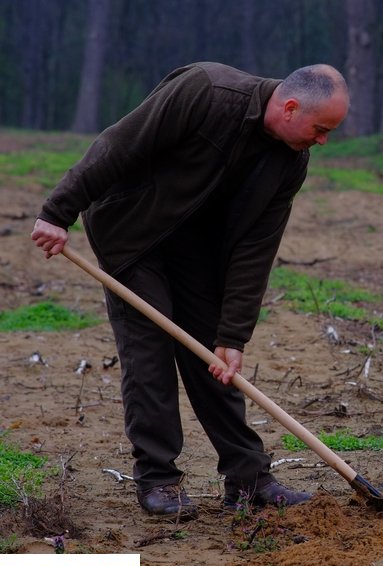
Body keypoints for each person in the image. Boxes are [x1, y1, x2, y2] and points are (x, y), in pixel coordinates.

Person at [31, 62, 350, 520]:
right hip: (133, 232)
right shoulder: (206, 91)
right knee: (150, 350)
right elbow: (119, 145)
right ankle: (158, 479)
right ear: (290, 107)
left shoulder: (290, 162)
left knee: (214, 359)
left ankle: (249, 478)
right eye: (321, 129)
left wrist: (233, 336)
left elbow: (255, 249)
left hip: (196, 251)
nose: (323, 141)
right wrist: (57, 211)